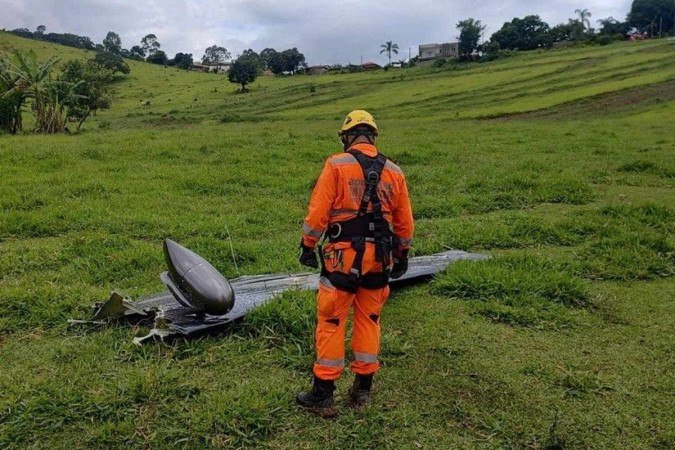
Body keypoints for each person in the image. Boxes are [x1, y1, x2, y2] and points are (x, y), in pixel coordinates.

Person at [297, 110, 414, 414]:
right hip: (379, 260)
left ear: (347, 137)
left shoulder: (336, 164)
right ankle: (362, 392)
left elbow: (317, 213)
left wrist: (308, 245)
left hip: (342, 258)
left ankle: (323, 396)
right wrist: (402, 254)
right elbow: (404, 222)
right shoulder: (395, 171)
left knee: (332, 321)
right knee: (369, 320)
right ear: (373, 136)